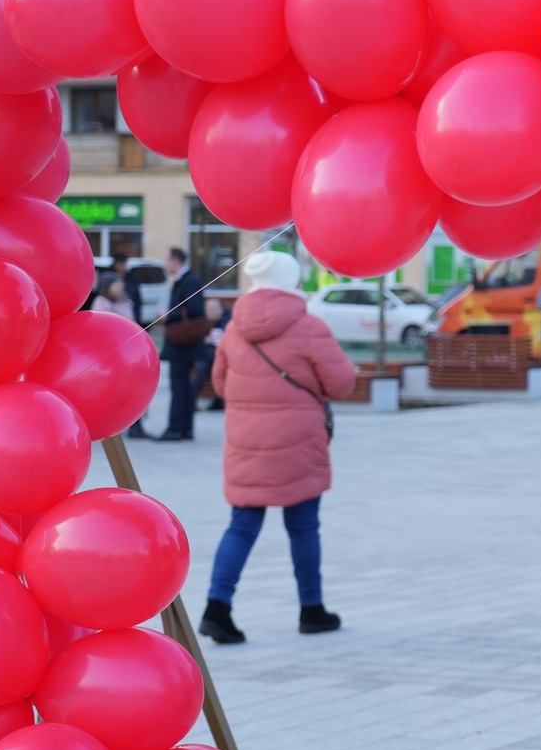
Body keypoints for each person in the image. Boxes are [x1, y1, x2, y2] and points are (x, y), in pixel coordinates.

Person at [198, 250, 358, 644]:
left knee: (241, 525)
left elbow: (220, 385)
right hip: (298, 444)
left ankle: (217, 608)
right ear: (292, 283)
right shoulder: (309, 327)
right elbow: (341, 385)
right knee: (303, 527)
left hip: (246, 442)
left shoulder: (233, 330)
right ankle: (311, 609)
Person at [157, 247, 207, 441]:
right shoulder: (184, 280)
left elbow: (195, 310)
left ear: (175, 260)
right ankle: (184, 428)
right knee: (183, 387)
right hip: (184, 344)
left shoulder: (189, 280)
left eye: (167, 260)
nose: (165, 264)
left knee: (179, 386)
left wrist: (169, 316)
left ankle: (176, 428)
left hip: (183, 343)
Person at [96, 279, 151, 438]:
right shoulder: (101, 304)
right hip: (110, 356)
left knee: (134, 390)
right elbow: (102, 328)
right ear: (107, 287)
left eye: (121, 284)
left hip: (130, 354)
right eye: (117, 284)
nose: (121, 287)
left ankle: (136, 425)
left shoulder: (126, 302)